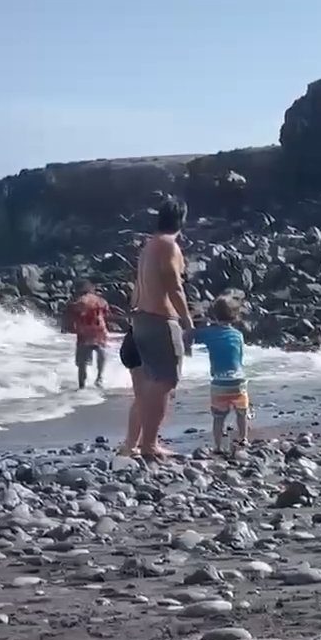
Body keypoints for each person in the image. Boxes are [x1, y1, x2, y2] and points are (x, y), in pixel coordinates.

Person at [132, 197, 193, 459]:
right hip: (160, 320)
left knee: (150, 383)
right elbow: (173, 286)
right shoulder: (169, 246)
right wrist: (187, 320)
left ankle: (139, 442)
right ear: (182, 220)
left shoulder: (148, 246)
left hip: (142, 318)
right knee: (165, 380)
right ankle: (150, 444)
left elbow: (137, 286)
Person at [194, 295, 249, 453]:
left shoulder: (209, 333)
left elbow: (192, 335)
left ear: (214, 315)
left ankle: (217, 446)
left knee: (218, 417)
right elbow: (239, 358)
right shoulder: (238, 335)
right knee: (242, 412)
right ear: (236, 315)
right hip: (238, 380)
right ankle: (243, 438)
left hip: (219, 382)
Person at [62, 280, 110, 389]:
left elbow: (70, 314)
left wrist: (66, 326)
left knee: (82, 363)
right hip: (99, 331)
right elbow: (106, 312)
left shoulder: (78, 301)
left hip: (84, 333)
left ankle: (82, 387)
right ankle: (99, 377)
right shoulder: (101, 300)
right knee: (101, 353)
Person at [118, 323, 143, 455]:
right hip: (140, 345)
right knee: (143, 397)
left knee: (146, 397)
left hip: (135, 342)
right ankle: (131, 444)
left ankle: (140, 441)